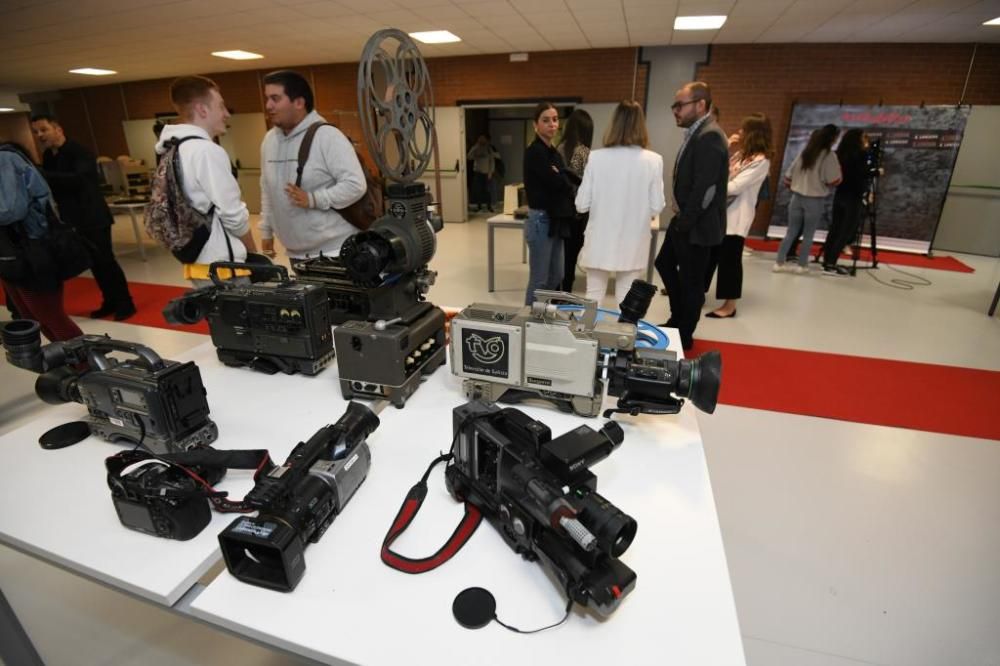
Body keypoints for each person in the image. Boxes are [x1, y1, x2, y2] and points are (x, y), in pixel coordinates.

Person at [30, 114, 135, 320]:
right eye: (36, 132)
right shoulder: (50, 157)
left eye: (43, 130)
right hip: (73, 219)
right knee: (93, 263)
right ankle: (109, 300)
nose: (40, 135)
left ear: (58, 129)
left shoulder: (80, 152)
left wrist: (42, 174)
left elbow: (80, 181)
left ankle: (125, 303)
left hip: (93, 217)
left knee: (106, 261)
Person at [155, 75, 256, 287]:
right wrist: (254, 255)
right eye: (221, 106)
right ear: (202, 110)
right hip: (225, 269)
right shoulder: (206, 151)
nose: (226, 114)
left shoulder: (172, 149)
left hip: (198, 262)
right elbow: (233, 214)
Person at [259, 70, 367, 260]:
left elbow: (355, 185)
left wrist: (314, 199)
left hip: (336, 251)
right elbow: (267, 189)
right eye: (267, 98)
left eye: (275, 98)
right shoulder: (269, 141)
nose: (268, 105)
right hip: (295, 254)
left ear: (299, 102)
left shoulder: (327, 137)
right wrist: (266, 230)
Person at [654, 82, 728, 350]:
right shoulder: (698, 134)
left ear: (700, 105)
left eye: (680, 105)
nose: (675, 111)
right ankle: (678, 318)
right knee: (665, 264)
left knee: (692, 281)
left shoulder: (710, 136)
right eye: (674, 105)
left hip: (697, 226)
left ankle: (684, 332)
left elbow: (705, 191)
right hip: (687, 220)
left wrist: (684, 224)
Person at [575, 101, 664, 305]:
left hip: (599, 239)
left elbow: (581, 204)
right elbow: (657, 206)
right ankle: (624, 336)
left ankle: (587, 336)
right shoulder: (654, 160)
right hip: (633, 241)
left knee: (593, 296)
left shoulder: (595, 158)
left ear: (613, 123)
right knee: (627, 299)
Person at [0, 142, 83, 341]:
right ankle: (70, 365)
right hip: (13, 252)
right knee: (33, 318)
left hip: (31, 251)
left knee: (51, 318)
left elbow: (11, 210)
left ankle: (85, 366)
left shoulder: (5, 159)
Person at [704, 113, 773, 318]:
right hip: (721, 215)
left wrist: (711, 187)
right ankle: (699, 292)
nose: (739, 132)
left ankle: (730, 305)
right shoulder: (740, 154)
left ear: (753, 133)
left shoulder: (761, 161)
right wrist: (725, 147)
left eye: (744, 130)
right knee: (710, 257)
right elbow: (721, 170)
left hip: (736, 218)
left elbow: (735, 186)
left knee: (730, 262)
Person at [522, 102, 574, 306]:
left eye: (555, 119)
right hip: (541, 220)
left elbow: (567, 182)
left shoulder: (555, 152)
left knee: (556, 275)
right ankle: (528, 322)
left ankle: (541, 315)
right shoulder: (535, 152)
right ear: (536, 125)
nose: (552, 124)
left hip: (557, 218)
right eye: (546, 120)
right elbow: (559, 183)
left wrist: (561, 177)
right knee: (540, 279)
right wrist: (562, 178)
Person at [774, 124, 842, 274]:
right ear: (833, 138)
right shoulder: (829, 156)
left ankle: (779, 263)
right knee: (808, 234)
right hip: (814, 199)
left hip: (796, 197)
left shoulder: (805, 153)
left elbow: (787, 177)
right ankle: (802, 265)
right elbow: (834, 180)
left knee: (791, 232)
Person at [821, 128, 868, 276]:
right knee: (846, 231)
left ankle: (827, 259)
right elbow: (862, 176)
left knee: (835, 229)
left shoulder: (839, 155)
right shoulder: (860, 155)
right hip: (853, 197)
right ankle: (831, 263)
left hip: (840, 195)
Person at [559, 109, 593, 293]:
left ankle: (556, 294)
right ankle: (566, 294)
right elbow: (589, 186)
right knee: (571, 257)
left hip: (560, 211)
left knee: (560, 256)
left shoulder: (559, 147)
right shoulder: (585, 152)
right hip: (577, 214)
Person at [467, 134, 497, 213]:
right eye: (480, 139)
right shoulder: (475, 148)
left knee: (488, 190)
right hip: (478, 172)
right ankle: (479, 206)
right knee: (478, 190)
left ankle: (489, 206)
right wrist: (476, 146)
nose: (482, 140)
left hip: (486, 173)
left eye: (483, 139)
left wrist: (490, 172)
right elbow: (469, 156)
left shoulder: (488, 149)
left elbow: (492, 162)